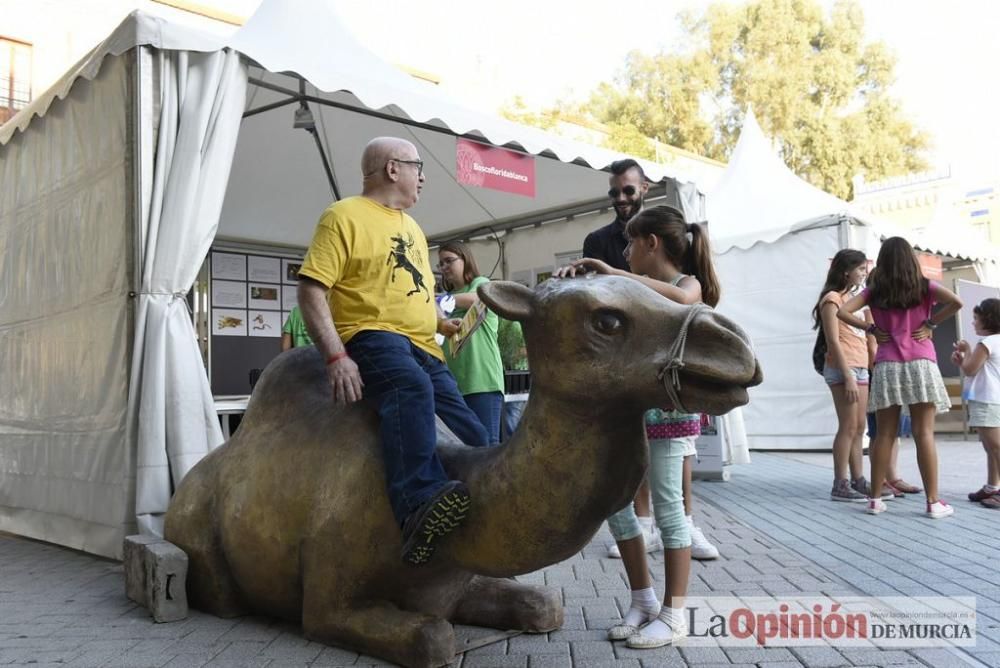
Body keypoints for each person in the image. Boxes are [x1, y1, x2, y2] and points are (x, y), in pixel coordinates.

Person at [297, 137, 490, 566]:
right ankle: (418, 506)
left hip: (425, 345)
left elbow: (411, 292)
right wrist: (336, 357)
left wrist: (440, 323)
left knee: (473, 431)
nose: (423, 176)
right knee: (411, 387)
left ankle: (490, 511)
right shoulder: (342, 215)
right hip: (372, 337)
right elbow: (311, 290)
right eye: (417, 166)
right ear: (392, 169)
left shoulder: (414, 229)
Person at [556, 204, 719, 648]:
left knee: (669, 512)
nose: (625, 251)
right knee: (619, 507)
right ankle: (643, 601)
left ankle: (675, 613)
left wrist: (611, 272)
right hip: (626, 413)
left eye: (631, 242)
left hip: (669, 412)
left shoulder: (687, 284)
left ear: (652, 244)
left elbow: (685, 301)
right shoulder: (632, 285)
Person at [837, 237, 962, 518]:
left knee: (884, 434)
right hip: (921, 362)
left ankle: (874, 501)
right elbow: (956, 302)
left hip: (887, 364)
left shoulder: (874, 291)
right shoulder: (924, 287)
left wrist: (870, 328)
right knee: (924, 433)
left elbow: (842, 311)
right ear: (910, 260)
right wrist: (931, 323)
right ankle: (932, 503)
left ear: (882, 261)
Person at [812, 249, 877, 501]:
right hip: (843, 367)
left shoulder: (856, 299)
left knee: (860, 427)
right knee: (848, 426)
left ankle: (858, 480)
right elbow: (833, 341)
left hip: (859, 364)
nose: (864, 273)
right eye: (860, 268)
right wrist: (848, 375)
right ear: (845, 271)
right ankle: (840, 483)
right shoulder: (832, 299)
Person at [437, 241, 505, 444]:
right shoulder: (444, 301)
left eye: (449, 261)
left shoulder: (481, 284)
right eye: (440, 264)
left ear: (465, 260)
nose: (444, 268)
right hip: (454, 386)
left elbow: (481, 297)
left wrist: (441, 300)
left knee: (486, 449)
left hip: (482, 382)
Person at [952, 298, 1000, 509]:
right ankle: (991, 487)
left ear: (987, 320)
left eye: (976, 318)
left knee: (995, 448)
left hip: (986, 400)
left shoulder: (987, 343)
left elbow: (971, 369)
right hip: (995, 399)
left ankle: (995, 489)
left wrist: (966, 353)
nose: (973, 323)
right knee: (991, 448)